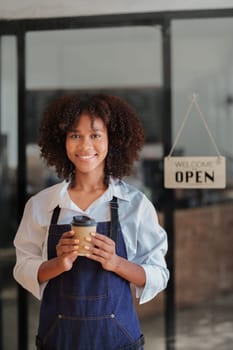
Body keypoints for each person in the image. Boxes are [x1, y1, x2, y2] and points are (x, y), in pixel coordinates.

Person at [13, 94, 169, 350]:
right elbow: (22, 268)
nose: (85, 146)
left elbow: (159, 274)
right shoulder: (41, 205)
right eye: (75, 135)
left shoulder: (136, 205)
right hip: (58, 341)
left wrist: (116, 263)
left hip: (118, 341)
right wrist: (58, 263)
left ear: (112, 140)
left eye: (95, 135)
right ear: (62, 141)